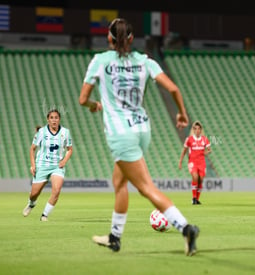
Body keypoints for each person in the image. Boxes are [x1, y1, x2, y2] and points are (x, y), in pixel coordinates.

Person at [79, 18, 199, 255]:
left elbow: (82, 99)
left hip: (120, 132)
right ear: (132, 39)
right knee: (120, 181)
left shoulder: (101, 61)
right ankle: (114, 237)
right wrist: (182, 114)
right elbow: (173, 89)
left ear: (109, 38)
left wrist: (94, 105)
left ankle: (185, 228)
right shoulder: (145, 61)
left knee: (145, 188)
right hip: (142, 129)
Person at [22, 109, 73, 221]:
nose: (54, 120)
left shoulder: (65, 132)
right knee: (34, 194)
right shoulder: (41, 132)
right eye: (51, 118)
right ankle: (31, 204)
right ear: (48, 120)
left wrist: (64, 161)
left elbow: (70, 149)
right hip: (42, 165)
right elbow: (32, 149)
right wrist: (33, 165)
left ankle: (44, 215)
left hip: (57, 166)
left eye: (56, 117)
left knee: (56, 190)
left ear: (59, 119)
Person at [179, 121, 212, 205]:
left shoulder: (204, 139)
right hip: (192, 162)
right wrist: (180, 162)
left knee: (200, 180)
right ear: (193, 130)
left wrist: (206, 152)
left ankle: (197, 199)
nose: (197, 130)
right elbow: (184, 151)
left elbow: (209, 150)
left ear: (201, 130)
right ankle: (194, 198)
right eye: (195, 129)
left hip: (201, 162)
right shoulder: (189, 139)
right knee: (195, 177)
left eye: (199, 129)